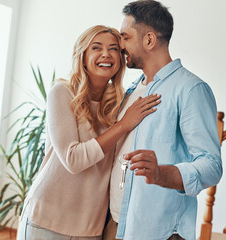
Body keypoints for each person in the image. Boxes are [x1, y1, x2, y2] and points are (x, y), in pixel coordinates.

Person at [17, 25, 161, 240]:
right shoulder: (62, 92)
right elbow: (73, 159)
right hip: (46, 219)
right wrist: (123, 125)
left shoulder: (121, 103)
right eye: (97, 47)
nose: (106, 54)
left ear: (120, 59)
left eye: (114, 49)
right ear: (83, 56)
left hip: (90, 227)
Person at [103, 1, 223, 240]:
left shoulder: (191, 90)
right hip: (117, 224)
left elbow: (211, 166)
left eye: (125, 37)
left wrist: (160, 173)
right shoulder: (133, 89)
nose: (120, 45)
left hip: (159, 233)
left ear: (149, 40)